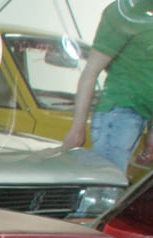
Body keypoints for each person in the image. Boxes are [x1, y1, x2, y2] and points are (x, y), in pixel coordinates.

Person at [63, 0, 153, 172]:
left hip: (137, 116)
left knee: (114, 188)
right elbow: (90, 72)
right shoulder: (123, 12)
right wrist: (77, 127)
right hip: (118, 114)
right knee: (107, 188)